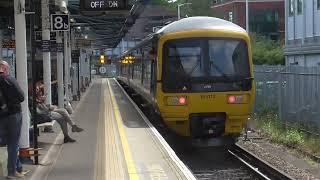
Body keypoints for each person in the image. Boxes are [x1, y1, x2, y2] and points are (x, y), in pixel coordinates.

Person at [0, 60, 27, 179]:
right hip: (13, 115)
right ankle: (11, 172)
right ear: (5, 69)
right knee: (13, 143)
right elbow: (21, 97)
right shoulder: (9, 79)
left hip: (1, 117)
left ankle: (18, 168)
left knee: (8, 144)